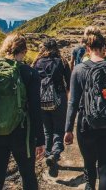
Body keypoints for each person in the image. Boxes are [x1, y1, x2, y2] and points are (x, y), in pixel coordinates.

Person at [64, 27, 106, 190]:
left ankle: (89, 186)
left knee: (89, 165)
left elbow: (72, 102)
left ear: (87, 49)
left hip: (86, 125)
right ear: (103, 48)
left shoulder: (79, 70)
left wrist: (68, 129)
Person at [0, 33, 45, 190]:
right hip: (21, 133)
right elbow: (36, 108)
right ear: (23, 51)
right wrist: (40, 139)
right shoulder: (29, 73)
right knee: (28, 176)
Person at [33, 38, 71, 177]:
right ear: (56, 48)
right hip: (59, 98)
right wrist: (65, 95)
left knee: (47, 130)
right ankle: (55, 154)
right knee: (59, 129)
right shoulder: (62, 61)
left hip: (41, 100)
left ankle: (49, 155)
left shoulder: (37, 62)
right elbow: (69, 81)